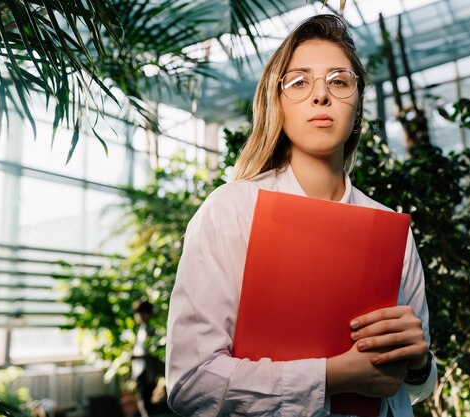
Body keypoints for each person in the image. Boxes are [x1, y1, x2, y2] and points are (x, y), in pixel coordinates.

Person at [165, 14, 437, 417]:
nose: (321, 95)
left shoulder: (390, 228)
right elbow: (191, 382)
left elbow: (415, 388)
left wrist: (419, 364)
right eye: (299, 82)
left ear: (358, 104)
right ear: (277, 103)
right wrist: (331, 375)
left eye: (339, 81)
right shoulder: (232, 211)